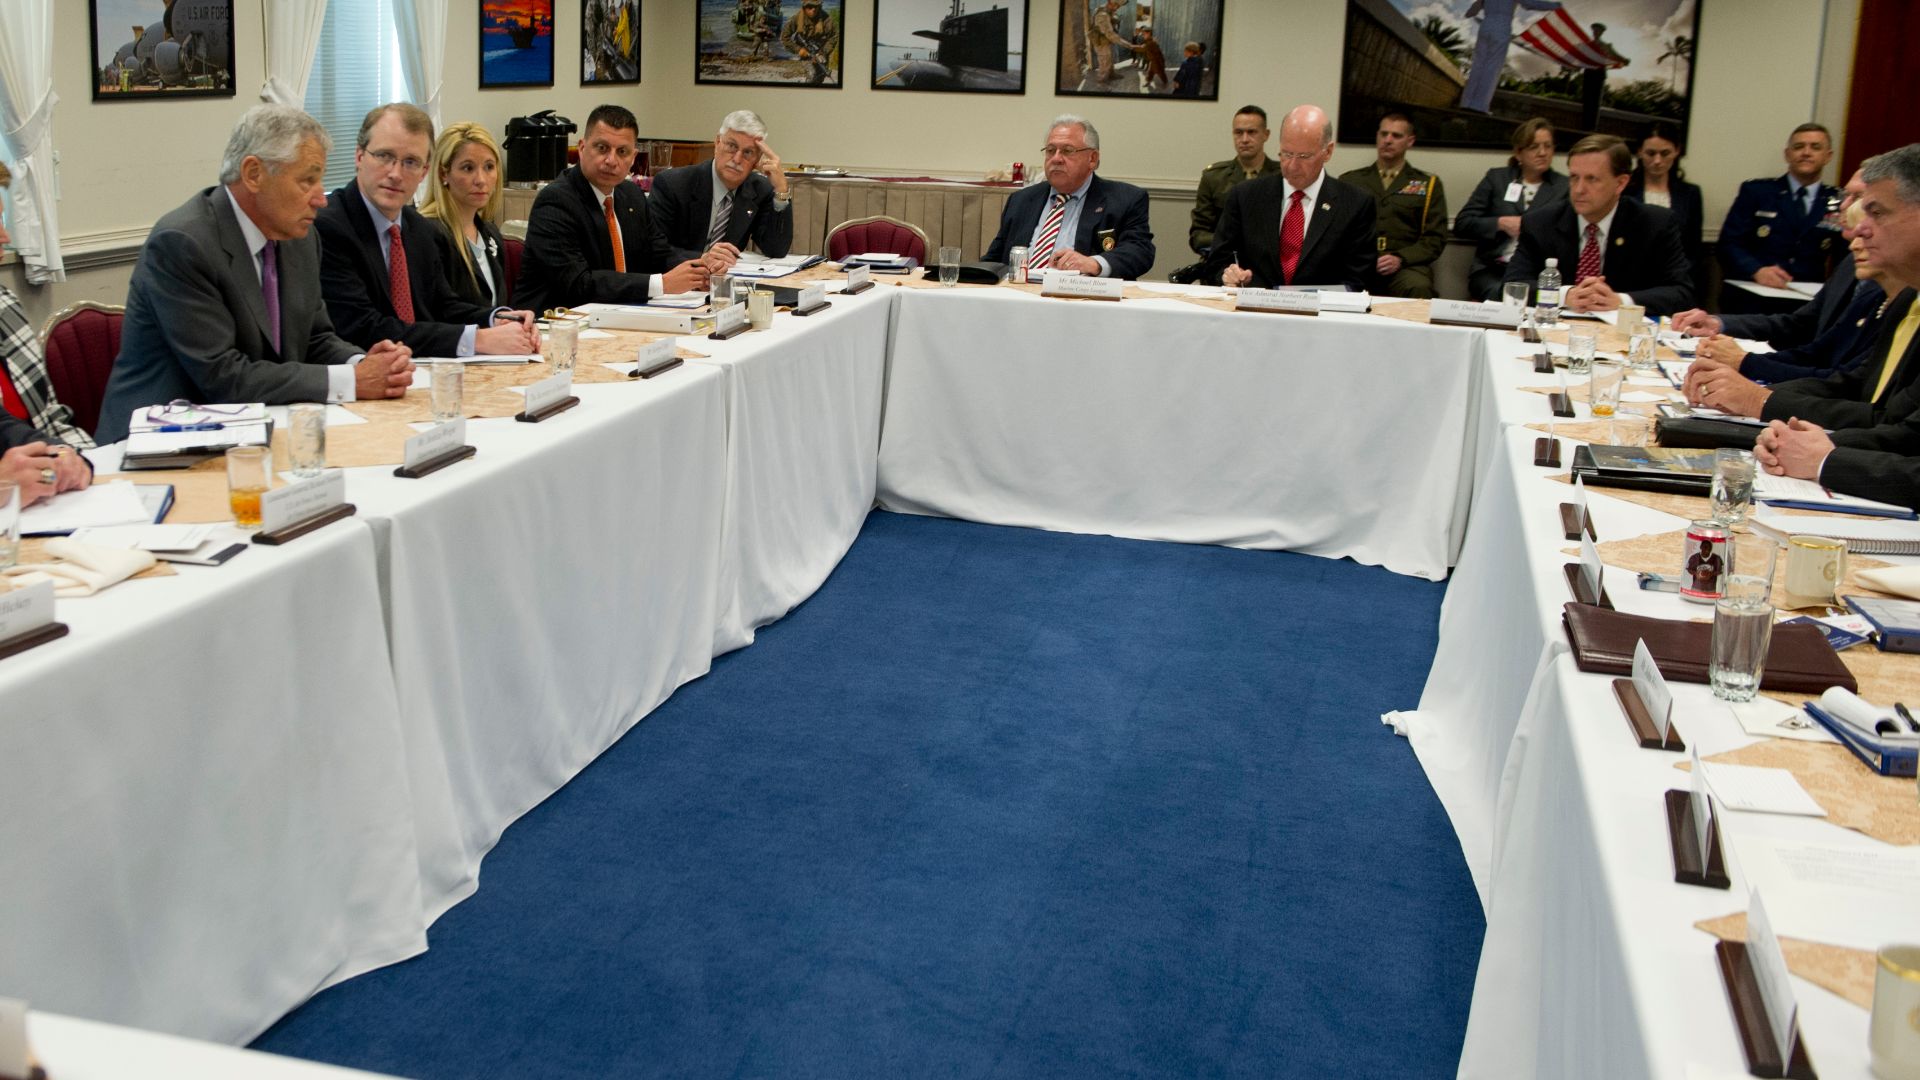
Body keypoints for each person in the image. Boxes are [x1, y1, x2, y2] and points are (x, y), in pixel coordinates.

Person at [96, 104, 414, 444]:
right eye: (307, 180)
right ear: (253, 174)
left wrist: (368, 363)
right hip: (163, 442)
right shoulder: (183, 244)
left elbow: (315, 338)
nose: (320, 199)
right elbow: (224, 377)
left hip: (262, 428)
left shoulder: (300, 239)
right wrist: (352, 380)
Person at [1750, 145, 1920, 505]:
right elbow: (1902, 429)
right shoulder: (1908, 300)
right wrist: (1797, 441)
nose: (1859, 229)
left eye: (1876, 212)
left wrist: (1826, 459)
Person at [314, 104, 536, 358]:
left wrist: (499, 319)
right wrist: (478, 339)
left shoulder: (417, 228)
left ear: (424, 172)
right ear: (359, 156)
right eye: (384, 156)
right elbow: (362, 327)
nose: (396, 173)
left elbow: (443, 305)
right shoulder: (330, 227)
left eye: (410, 162)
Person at [513, 104, 709, 316]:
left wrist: (701, 266)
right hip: (554, 325)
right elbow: (579, 284)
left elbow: (659, 254)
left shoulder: (630, 195)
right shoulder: (556, 201)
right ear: (581, 148)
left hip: (616, 316)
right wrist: (662, 284)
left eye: (622, 152)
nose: (611, 161)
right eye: (602, 148)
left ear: (633, 157)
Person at [1684, 205, 1893, 390]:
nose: (1854, 245)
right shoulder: (1852, 269)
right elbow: (1807, 337)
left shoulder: (1892, 296)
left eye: (1857, 197)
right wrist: (1730, 343)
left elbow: (1846, 383)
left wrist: (1746, 367)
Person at [1671, 170, 1868, 346]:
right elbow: (1799, 324)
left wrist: (1746, 363)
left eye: (1857, 196)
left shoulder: (1887, 276)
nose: (1843, 205)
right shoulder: (1849, 265)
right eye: (1846, 195)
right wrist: (1717, 323)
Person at [1504, 134, 1693, 316]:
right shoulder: (1541, 222)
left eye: (1591, 179)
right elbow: (1511, 286)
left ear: (1620, 183)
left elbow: (1682, 293)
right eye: (1574, 177)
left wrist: (1621, 301)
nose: (1579, 189)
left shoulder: (1654, 223)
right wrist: (1564, 295)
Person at [1202, 104, 1375, 291]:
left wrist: (1301, 299)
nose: (1292, 166)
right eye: (1286, 154)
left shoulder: (1355, 204)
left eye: (1304, 156)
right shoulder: (1245, 196)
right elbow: (1216, 264)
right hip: (1254, 312)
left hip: (1321, 314)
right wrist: (1228, 276)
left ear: (1328, 152)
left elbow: (1358, 280)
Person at [984, 115, 1155, 281]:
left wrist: (1094, 263)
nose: (1056, 158)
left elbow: (1139, 251)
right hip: (1018, 296)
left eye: (1067, 151)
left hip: (1083, 300)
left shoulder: (1124, 199)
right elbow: (995, 259)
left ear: (1092, 159)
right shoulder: (1021, 200)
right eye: (1051, 151)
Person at [0, 163, 91, 450]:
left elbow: (51, 419)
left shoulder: (5, 306)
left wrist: (88, 463)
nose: (6, 238)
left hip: (49, 480)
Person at [648, 110, 793, 272]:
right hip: (677, 283)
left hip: (725, 285)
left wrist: (781, 191)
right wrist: (702, 259)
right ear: (717, 143)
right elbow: (654, 250)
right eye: (732, 146)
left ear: (758, 159)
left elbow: (776, 249)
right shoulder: (673, 184)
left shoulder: (759, 189)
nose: (737, 159)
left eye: (748, 152)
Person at [1336, 112, 1448, 299]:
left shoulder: (1428, 184)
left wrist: (1400, 258)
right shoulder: (1350, 181)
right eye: (1383, 134)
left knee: (1417, 287)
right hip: (1358, 263)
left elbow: (1434, 239)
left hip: (1406, 267)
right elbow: (1337, 230)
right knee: (1334, 284)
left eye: (1396, 136)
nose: (1388, 140)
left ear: (1410, 141)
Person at [1719, 124, 1842, 292]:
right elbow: (1729, 243)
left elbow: (1844, 255)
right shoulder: (1758, 192)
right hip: (1754, 293)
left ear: (1828, 156)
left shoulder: (1837, 200)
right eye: (1798, 147)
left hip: (1807, 300)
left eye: (1815, 147)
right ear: (1787, 154)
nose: (1806, 152)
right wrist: (1756, 270)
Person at [1455, 118, 1568, 300]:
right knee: (1503, 295)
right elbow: (1463, 223)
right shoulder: (1497, 179)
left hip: (1538, 273)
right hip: (1493, 270)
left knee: (1528, 295)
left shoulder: (1564, 187)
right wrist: (1500, 223)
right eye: (1534, 147)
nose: (1543, 153)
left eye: (1548, 146)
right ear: (1518, 153)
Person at [420, 122, 512, 309]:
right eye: (468, 168)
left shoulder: (490, 233)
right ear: (443, 173)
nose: (481, 180)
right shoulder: (428, 232)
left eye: (489, 167)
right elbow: (439, 312)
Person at [1623, 124, 1705, 303]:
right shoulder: (1625, 191)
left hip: (1674, 282)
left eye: (1665, 153)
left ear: (1677, 152)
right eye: (1651, 153)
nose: (1657, 161)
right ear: (1639, 152)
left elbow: (1692, 247)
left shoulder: (1690, 194)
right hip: (1630, 282)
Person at [1188, 106, 1280, 256]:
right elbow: (1198, 235)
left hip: (1270, 263)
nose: (1244, 139)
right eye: (1238, 133)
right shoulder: (1214, 178)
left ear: (1266, 134)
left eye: (1252, 132)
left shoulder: (1281, 176)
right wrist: (1233, 245)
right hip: (1223, 261)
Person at [780, 0, 836, 86]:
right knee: (811, 75)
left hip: (821, 51)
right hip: (805, 51)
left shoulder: (826, 19)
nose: (813, 9)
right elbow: (784, 37)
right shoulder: (797, 18)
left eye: (816, 7)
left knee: (821, 75)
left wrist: (823, 52)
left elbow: (834, 37)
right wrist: (799, 50)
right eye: (810, 7)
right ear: (804, 8)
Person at [1090, 0, 1129, 83]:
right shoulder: (1102, 14)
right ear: (1110, 2)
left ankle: (1111, 74)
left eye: (1118, 6)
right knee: (1104, 61)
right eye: (1116, 6)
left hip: (1106, 40)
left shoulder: (1108, 10)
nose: (1117, 8)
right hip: (1101, 41)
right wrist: (1127, 44)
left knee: (1109, 58)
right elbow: (1109, 34)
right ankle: (1102, 81)